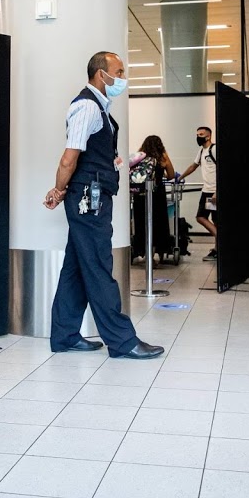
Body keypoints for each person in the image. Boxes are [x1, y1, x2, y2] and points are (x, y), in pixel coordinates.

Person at [44, 51, 164, 360]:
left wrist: (109, 162)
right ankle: (123, 341)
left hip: (92, 193)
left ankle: (65, 336)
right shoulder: (86, 106)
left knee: (76, 267)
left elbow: (87, 152)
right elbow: (69, 157)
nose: (122, 78)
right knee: (98, 265)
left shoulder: (99, 108)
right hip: (89, 198)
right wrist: (58, 190)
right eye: (119, 72)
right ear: (101, 74)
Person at [131, 135, 176, 265]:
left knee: (141, 224)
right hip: (157, 195)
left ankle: (144, 253)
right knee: (158, 224)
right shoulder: (162, 158)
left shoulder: (140, 157)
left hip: (140, 195)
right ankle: (155, 254)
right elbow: (171, 175)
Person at [179, 127, 218, 261]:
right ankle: (218, 249)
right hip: (206, 191)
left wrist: (217, 192)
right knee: (213, 220)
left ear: (208, 136)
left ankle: (221, 242)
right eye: (197, 134)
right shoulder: (202, 150)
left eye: (201, 134)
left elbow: (223, 170)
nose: (198, 136)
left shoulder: (214, 149)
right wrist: (180, 177)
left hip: (213, 193)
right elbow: (193, 166)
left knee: (201, 217)